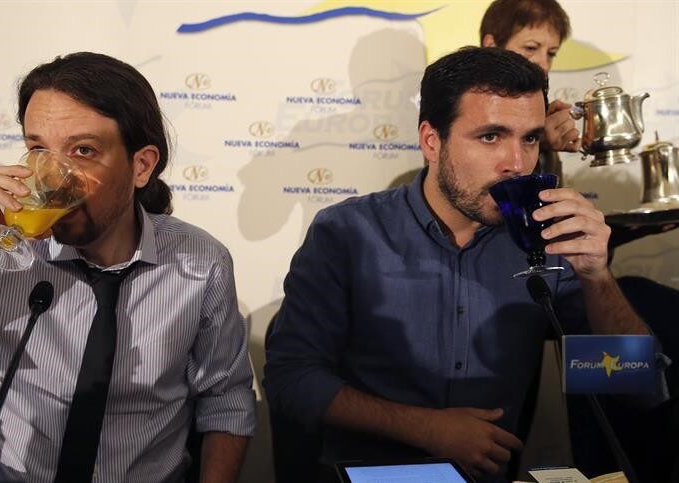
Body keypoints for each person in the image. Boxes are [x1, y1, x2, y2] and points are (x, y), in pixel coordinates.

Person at [263, 47, 660, 483]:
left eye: (530, 138)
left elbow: (630, 386)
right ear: (431, 141)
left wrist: (597, 275)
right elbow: (290, 380)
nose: (517, 164)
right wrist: (427, 428)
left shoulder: (547, 240)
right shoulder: (347, 233)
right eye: (491, 137)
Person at [0, 52, 255, 483]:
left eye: (83, 151)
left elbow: (225, 401)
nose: (53, 179)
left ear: (141, 166)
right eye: (38, 150)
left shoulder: (201, 263)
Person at [480, 0, 580, 160]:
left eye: (551, 54)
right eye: (531, 48)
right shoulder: (457, 101)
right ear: (492, 46)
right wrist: (535, 140)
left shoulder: (539, 108)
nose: (544, 65)